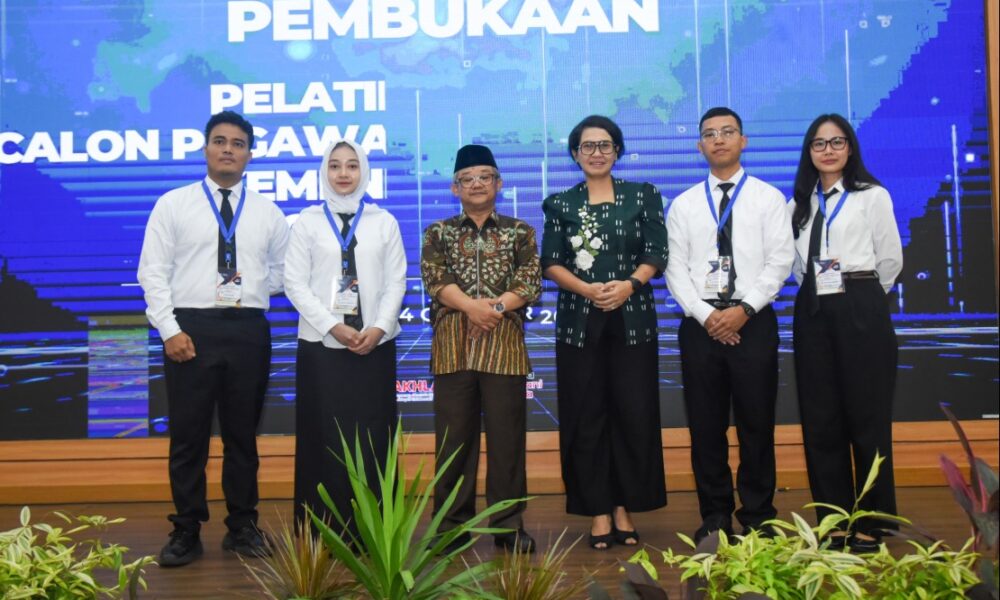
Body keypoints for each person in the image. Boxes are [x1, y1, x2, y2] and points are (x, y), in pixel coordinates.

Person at [138, 111, 289, 566]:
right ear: (205, 148)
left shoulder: (268, 212)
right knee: (189, 438)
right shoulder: (173, 204)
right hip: (190, 330)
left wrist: (250, 287)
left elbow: (283, 273)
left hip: (247, 330)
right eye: (220, 141)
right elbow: (152, 272)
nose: (228, 149)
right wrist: (170, 329)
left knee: (243, 437)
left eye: (238, 143)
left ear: (249, 154)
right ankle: (185, 529)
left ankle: (242, 526)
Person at [665, 107, 794, 542]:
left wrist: (744, 310)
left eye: (727, 132)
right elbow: (674, 269)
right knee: (706, 427)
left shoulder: (768, 198)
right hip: (700, 326)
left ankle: (758, 515)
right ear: (699, 145)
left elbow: (780, 261)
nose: (718, 139)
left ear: (743, 140)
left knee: (757, 424)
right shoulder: (684, 204)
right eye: (709, 134)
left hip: (753, 322)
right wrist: (707, 316)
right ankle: (715, 515)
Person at [540, 115, 668, 550]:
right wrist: (588, 289)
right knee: (586, 416)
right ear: (575, 154)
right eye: (588, 146)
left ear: (618, 150)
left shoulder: (643, 195)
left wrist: (629, 284)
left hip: (633, 319)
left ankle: (624, 507)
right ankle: (597, 509)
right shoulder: (560, 203)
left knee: (633, 414)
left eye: (605, 145)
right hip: (581, 322)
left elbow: (657, 252)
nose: (597, 153)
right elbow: (551, 262)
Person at [790, 113, 903, 553]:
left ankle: (873, 521)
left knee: (867, 418)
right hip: (813, 309)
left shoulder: (872, 196)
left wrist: (862, 298)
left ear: (850, 148)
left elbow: (889, 260)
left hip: (860, 303)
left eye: (837, 142)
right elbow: (797, 267)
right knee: (821, 420)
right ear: (809, 152)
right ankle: (834, 520)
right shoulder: (799, 204)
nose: (828, 150)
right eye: (819, 143)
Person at [421, 144, 542, 553]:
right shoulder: (437, 233)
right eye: (467, 178)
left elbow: (529, 283)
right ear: (455, 188)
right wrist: (473, 308)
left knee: (508, 443)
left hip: (504, 347)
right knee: (453, 444)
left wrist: (493, 310)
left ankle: (508, 527)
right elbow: (435, 280)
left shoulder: (520, 231)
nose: (476, 184)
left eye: (484, 177)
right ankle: (451, 529)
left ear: (499, 184)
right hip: (452, 349)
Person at [283, 139, 406, 533]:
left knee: (373, 436)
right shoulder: (306, 222)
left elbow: (396, 281)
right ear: (324, 171)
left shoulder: (383, 221)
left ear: (363, 171)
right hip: (321, 347)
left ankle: (375, 528)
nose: (343, 173)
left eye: (352, 165)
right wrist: (332, 325)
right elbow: (294, 283)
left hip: (374, 346)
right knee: (323, 434)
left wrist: (378, 327)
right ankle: (323, 528)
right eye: (334, 165)